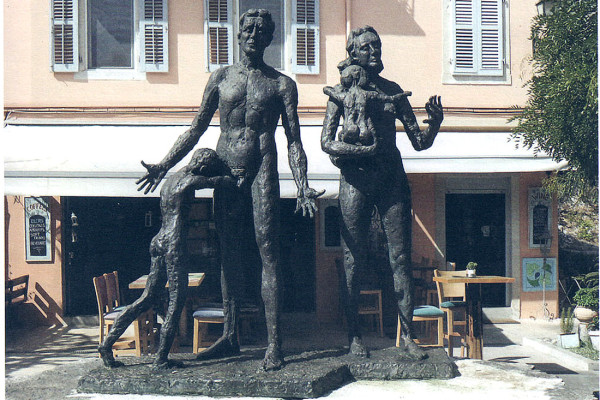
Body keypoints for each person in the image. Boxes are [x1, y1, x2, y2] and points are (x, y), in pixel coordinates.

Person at [136, 9, 323, 371]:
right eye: (248, 29)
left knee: (268, 253)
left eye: (261, 30)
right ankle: (230, 336)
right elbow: (196, 127)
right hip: (223, 168)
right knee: (227, 253)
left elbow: (294, 140)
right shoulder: (221, 78)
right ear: (238, 35)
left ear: (270, 38)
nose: (253, 34)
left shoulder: (282, 84)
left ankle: (274, 345)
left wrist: (302, 185)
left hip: (261, 167)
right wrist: (164, 164)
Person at [321, 26, 443, 360]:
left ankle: (409, 337)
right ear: (353, 53)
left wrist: (434, 124)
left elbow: (418, 142)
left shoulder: (394, 91)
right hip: (355, 179)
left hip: (391, 178)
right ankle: (354, 337)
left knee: (400, 257)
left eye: (377, 45)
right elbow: (326, 142)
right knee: (353, 259)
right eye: (366, 47)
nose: (374, 51)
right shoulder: (342, 91)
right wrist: (359, 151)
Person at [99, 148, 235, 370]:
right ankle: (161, 359)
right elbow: (220, 182)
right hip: (174, 243)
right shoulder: (190, 181)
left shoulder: (172, 178)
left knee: (146, 298)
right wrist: (232, 176)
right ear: (202, 167)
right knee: (176, 301)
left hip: (159, 239)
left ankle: (106, 344)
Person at [323, 64, 411, 147]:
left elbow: (327, 90)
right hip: (364, 127)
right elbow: (390, 98)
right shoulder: (368, 94)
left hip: (350, 125)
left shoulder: (343, 96)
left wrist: (331, 90)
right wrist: (402, 95)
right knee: (367, 138)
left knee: (348, 135)